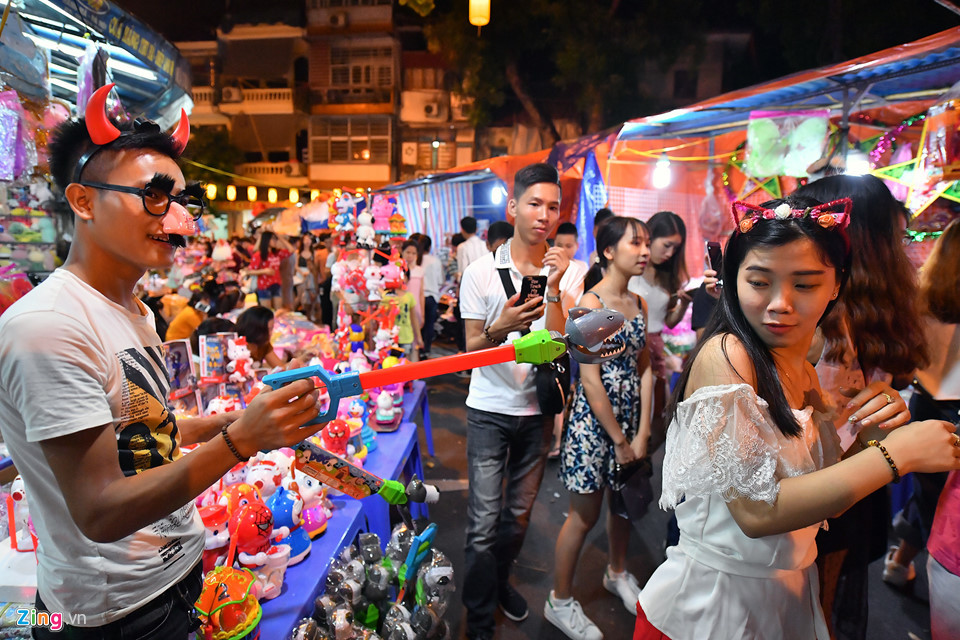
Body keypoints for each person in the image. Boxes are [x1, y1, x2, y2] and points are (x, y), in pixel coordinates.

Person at [0, 88, 320, 639]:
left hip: (178, 578)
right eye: (153, 195)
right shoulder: (48, 327)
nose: (178, 221)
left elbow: (140, 430)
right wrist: (238, 442)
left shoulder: (136, 311)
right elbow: (99, 510)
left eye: (181, 202)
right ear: (82, 201)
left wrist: (230, 424)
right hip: (117, 613)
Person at [634, 195, 960, 640]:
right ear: (733, 280)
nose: (780, 303)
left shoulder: (802, 365)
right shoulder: (727, 355)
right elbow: (755, 512)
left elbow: (820, 491)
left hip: (784, 599)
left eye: (804, 284)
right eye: (759, 281)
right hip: (711, 610)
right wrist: (893, 456)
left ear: (837, 284)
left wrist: (872, 435)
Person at [795, 175, 929, 639]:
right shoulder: (837, 314)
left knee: (814, 609)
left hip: (826, 489)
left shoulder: (835, 319)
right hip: (824, 489)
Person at [459, 163, 585, 640]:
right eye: (535, 203)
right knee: (482, 523)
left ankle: (497, 582)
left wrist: (554, 289)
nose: (544, 215)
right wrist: (503, 324)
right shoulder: (480, 272)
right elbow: (470, 347)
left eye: (553, 207)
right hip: (489, 409)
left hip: (538, 411)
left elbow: (557, 342)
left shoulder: (569, 273)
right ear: (513, 207)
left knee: (516, 518)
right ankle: (477, 620)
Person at [546, 217, 653, 640]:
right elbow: (590, 382)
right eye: (635, 243)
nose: (644, 251)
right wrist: (621, 440)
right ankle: (559, 599)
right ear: (609, 251)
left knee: (624, 506)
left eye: (646, 243)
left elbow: (646, 368)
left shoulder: (639, 303)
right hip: (595, 427)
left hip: (630, 422)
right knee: (583, 515)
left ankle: (618, 572)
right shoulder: (591, 306)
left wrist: (643, 433)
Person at [884, 219, 960, 589]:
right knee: (946, 505)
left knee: (930, 496)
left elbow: (906, 361)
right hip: (951, 409)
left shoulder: (923, 294)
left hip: (926, 404)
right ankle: (936, 578)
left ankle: (905, 565)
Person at [627, 211, 689, 446]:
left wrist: (684, 303)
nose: (670, 253)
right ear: (649, 238)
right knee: (633, 408)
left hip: (656, 346)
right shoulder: (630, 271)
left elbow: (669, 322)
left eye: (675, 248)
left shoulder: (668, 277)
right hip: (632, 345)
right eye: (666, 245)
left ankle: (640, 466)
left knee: (656, 416)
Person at [548, 221, 590, 457]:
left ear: (576, 245)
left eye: (568, 245)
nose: (563, 249)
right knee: (556, 390)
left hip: (571, 338)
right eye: (559, 244)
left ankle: (560, 439)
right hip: (553, 335)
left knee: (566, 389)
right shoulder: (549, 267)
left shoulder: (581, 268)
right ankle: (555, 440)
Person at [243, 229, 295, 310]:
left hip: (276, 284)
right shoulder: (259, 255)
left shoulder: (277, 253)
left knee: (278, 310)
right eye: (273, 239)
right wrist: (264, 271)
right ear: (267, 240)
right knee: (266, 312)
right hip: (264, 286)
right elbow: (249, 271)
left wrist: (279, 236)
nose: (275, 241)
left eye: (275, 239)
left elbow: (291, 250)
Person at [412, 233, 443, 358]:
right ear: (429, 247)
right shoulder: (435, 260)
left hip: (417, 297)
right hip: (431, 297)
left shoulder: (415, 260)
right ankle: (426, 350)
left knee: (417, 325)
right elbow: (440, 280)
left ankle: (416, 349)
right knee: (429, 325)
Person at [457, 216, 487, 281]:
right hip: (486, 281)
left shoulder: (462, 247)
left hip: (471, 282)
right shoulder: (485, 244)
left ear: (462, 230)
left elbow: (462, 270)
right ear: (476, 229)